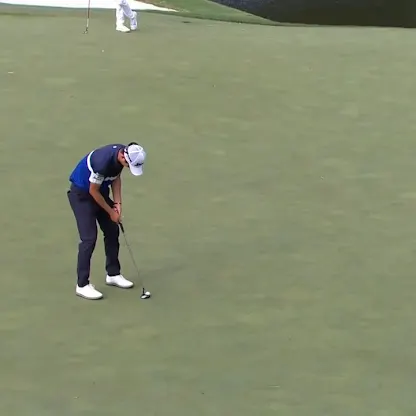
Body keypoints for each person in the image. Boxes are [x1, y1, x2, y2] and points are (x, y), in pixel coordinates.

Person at [67, 142, 146, 300]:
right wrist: (111, 212)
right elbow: (93, 191)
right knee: (88, 239)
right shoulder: (102, 162)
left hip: (99, 193)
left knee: (112, 230)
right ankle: (82, 285)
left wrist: (118, 204)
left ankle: (113, 274)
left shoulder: (121, 156)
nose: (128, 167)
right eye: (128, 165)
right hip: (81, 196)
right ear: (123, 157)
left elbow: (116, 179)